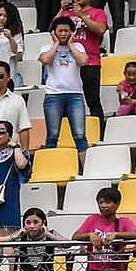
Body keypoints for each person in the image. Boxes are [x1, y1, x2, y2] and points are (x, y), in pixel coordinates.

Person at [39, 15, 90, 170]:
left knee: (80, 136)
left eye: (66, 31)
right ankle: (50, 169)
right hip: (53, 95)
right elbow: (45, 60)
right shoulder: (46, 47)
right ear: (54, 32)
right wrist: (55, 44)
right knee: (52, 136)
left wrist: (70, 44)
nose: (63, 34)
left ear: (72, 32)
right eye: (60, 31)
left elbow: (83, 61)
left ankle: (87, 169)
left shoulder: (79, 47)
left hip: (75, 94)